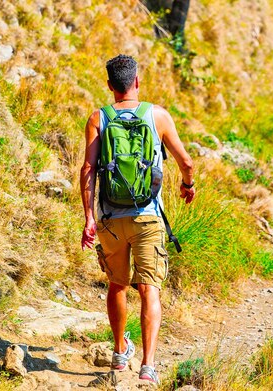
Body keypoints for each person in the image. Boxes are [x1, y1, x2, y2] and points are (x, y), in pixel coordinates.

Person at [80, 54, 195, 384]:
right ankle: (147, 366)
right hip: (148, 218)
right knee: (149, 290)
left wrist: (89, 217)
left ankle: (119, 353)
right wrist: (187, 185)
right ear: (137, 82)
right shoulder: (157, 115)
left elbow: (88, 169)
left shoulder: (98, 118)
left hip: (111, 220)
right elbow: (185, 162)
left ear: (109, 86)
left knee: (117, 284)